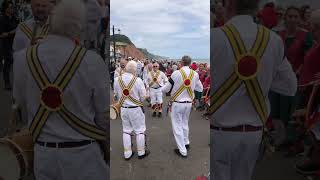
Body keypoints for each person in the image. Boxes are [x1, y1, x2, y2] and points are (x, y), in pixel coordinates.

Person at [12, 0, 109, 179]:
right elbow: (103, 115)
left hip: (44, 154)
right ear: (79, 27)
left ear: (52, 21)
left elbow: (20, 103)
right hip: (84, 155)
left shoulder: (21, 59)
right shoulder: (92, 61)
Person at [211, 0, 297, 179]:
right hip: (253, 134)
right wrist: (261, 79)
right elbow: (290, 87)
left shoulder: (214, 37)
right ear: (257, 8)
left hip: (218, 133)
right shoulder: (274, 40)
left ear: (230, 5)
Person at [162, 56, 203, 158]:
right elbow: (200, 88)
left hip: (177, 103)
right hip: (189, 103)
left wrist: (161, 88)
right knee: (185, 123)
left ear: (181, 62)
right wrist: (191, 87)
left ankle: (182, 150)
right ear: (189, 63)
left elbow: (166, 89)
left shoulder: (176, 73)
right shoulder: (195, 74)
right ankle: (186, 142)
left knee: (177, 126)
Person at [114, 60, 150, 160]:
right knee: (139, 130)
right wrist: (146, 96)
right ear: (135, 70)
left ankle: (127, 153)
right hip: (135, 109)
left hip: (124, 109)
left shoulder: (117, 80)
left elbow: (116, 95)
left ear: (126, 68)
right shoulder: (138, 80)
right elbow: (142, 98)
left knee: (126, 130)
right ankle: (141, 152)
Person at [0, 1, 19, 90]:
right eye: (10, 7)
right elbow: (1, 34)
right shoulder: (2, 19)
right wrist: (12, 32)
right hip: (6, 44)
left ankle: (17, 82)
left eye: (12, 7)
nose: (12, 9)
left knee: (15, 63)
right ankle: (7, 82)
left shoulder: (15, 18)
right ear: (6, 9)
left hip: (14, 43)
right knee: (8, 62)